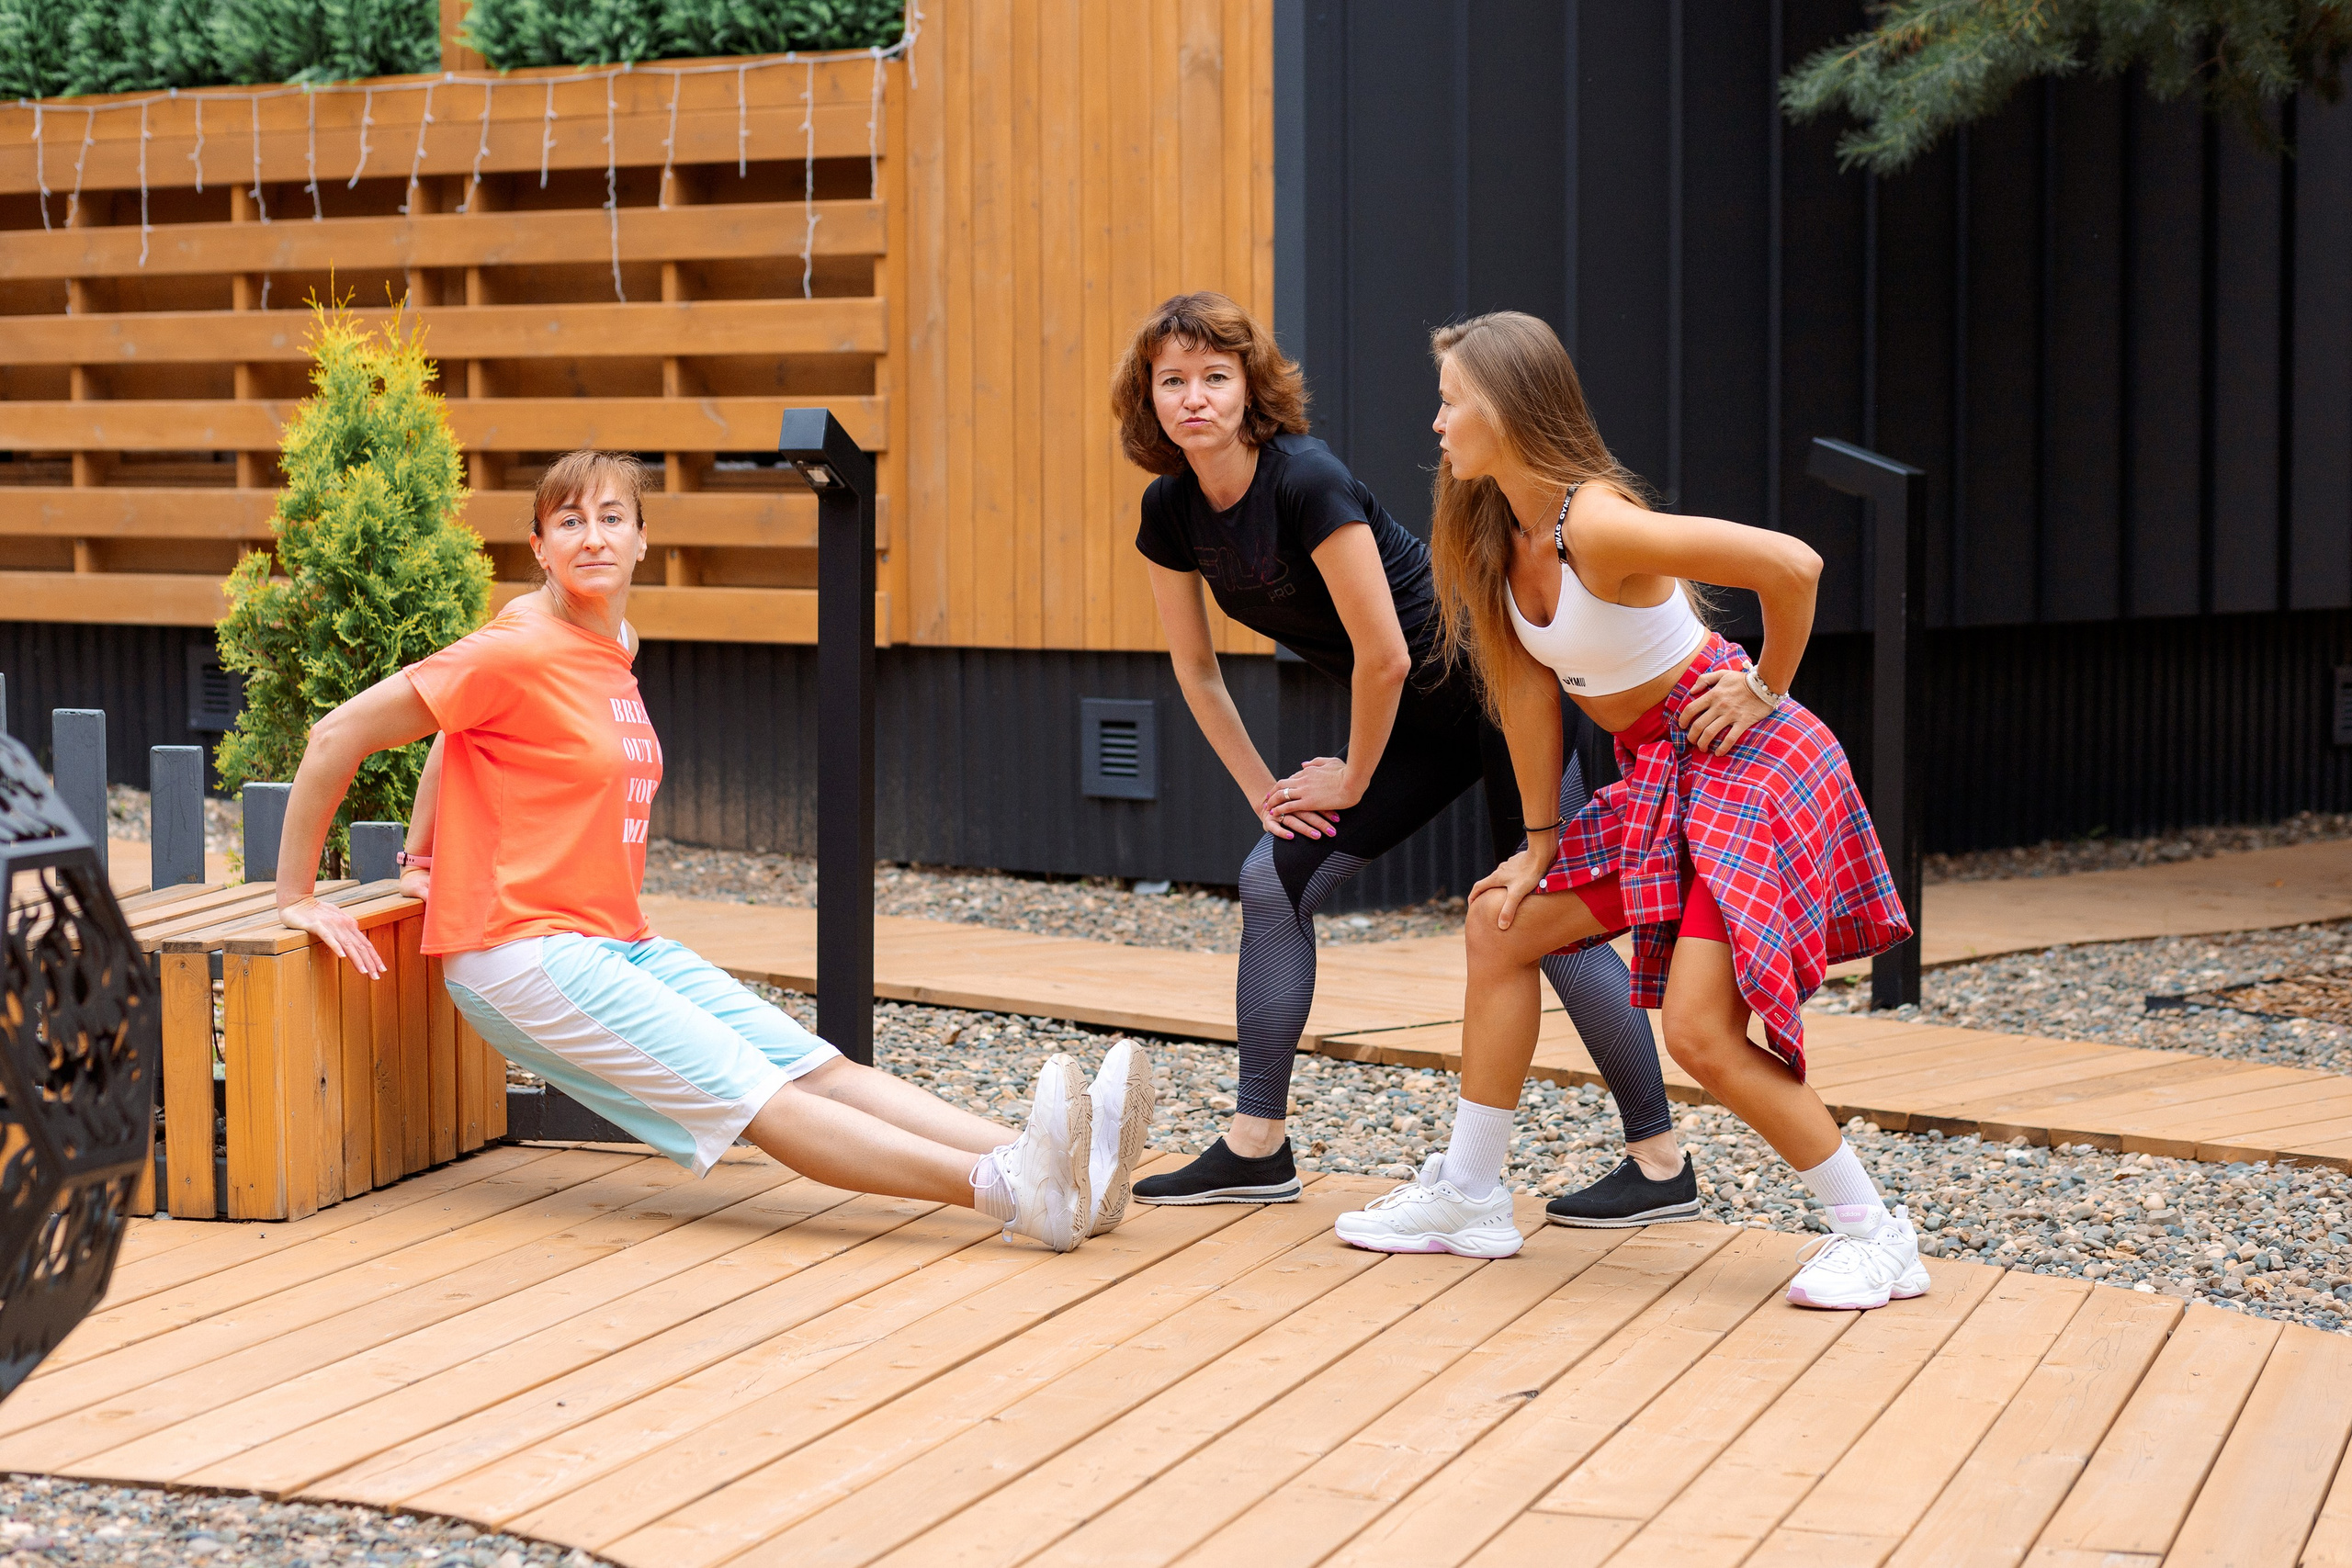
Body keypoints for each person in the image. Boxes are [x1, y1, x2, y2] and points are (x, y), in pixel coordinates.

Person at [269, 449, 1153, 1254]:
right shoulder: (516, 645)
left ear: (643, 540)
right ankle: (1009, 1189)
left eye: (612, 516)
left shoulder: (614, 642)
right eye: (568, 521)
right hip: (523, 950)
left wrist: (424, 850)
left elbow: (456, 735)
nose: (592, 536)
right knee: (762, 1098)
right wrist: (295, 894)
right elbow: (335, 736)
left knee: (819, 1067)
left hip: (612, 937)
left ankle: (1064, 1160)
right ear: (539, 546)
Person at [1331, 311, 1918, 1311]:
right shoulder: (1496, 532)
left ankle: (1877, 1235)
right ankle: (1470, 1196)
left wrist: (1766, 687)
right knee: (1501, 922)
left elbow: (1795, 565)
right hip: (1660, 777)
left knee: (1697, 1032)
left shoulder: (1595, 525)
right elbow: (1523, 691)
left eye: (1450, 401)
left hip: (1748, 762)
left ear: (1508, 410)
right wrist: (1537, 845)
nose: (1435, 423)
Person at [1114, 291, 1692, 1226]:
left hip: (1499, 696)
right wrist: (1264, 789)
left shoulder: (1306, 481)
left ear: (1248, 388)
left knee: (1547, 920)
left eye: (1215, 377)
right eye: (1172, 381)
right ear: (1147, 398)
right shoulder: (1170, 511)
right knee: (1273, 881)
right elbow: (1195, 670)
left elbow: (1383, 653)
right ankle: (1257, 1148)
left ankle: (1659, 1162)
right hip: (1412, 725)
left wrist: (1348, 774)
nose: (1194, 398)